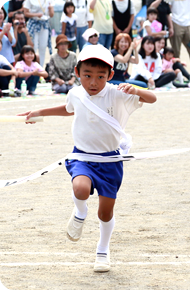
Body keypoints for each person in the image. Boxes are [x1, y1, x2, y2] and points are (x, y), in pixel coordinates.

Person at [18, 44, 157, 272]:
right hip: (82, 156)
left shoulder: (118, 93)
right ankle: (80, 212)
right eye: (87, 75)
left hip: (110, 161)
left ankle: (103, 250)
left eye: (101, 76)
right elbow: (68, 108)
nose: (93, 82)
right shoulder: (75, 93)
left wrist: (136, 90)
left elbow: (152, 98)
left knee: (105, 212)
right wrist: (39, 112)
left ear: (110, 75)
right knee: (80, 189)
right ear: (77, 72)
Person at [23, 0, 54, 68]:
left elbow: (51, 15)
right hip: (33, 23)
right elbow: (25, 13)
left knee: (43, 47)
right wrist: (36, 15)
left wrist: (51, 9)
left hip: (44, 24)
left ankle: (40, 67)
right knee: (33, 47)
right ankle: (31, 67)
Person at [168, 0, 190, 71]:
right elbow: (169, 11)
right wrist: (170, 26)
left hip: (188, 23)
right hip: (175, 22)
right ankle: (177, 74)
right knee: (175, 52)